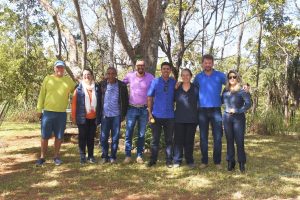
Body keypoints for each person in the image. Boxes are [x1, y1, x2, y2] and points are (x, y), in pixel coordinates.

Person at [36, 60, 76, 166]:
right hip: (48, 113)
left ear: (64, 69)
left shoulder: (68, 81)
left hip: (61, 114)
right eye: (58, 67)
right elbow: (42, 95)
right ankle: (42, 157)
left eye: (62, 67)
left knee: (59, 136)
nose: (60, 69)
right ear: (54, 68)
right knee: (45, 136)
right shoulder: (48, 79)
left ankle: (56, 156)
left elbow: (76, 90)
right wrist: (39, 110)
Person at [193, 54, 226, 169]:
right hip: (202, 110)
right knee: (203, 137)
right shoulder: (198, 77)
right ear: (202, 64)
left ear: (213, 63)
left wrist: (224, 97)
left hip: (216, 110)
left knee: (217, 137)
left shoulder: (220, 75)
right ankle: (204, 161)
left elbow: (231, 84)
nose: (207, 64)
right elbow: (193, 90)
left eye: (209, 62)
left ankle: (217, 162)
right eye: (205, 63)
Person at [123, 59, 154, 164]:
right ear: (135, 66)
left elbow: (156, 88)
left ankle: (139, 156)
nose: (140, 67)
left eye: (142, 65)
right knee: (129, 133)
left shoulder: (150, 77)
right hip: (132, 108)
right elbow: (120, 85)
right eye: (138, 65)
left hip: (144, 109)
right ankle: (127, 155)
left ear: (145, 66)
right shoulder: (129, 76)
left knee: (141, 134)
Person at [147, 62, 176, 168]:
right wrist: (149, 113)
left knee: (169, 140)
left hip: (170, 116)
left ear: (170, 71)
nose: (166, 70)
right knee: (155, 140)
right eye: (164, 69)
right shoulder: (155, 82)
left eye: (168, 69)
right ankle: (153, 160)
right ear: (161, 70)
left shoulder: (174, 82)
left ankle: (169, 160)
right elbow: (149, 97)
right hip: (156, 115)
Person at [222, 70, 251, 172]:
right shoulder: (225, 91)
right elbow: (221, 101)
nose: (232, 79)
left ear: (237, 78)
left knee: (239, 141)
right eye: (230, 77)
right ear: (228, 79)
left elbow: (248, 104)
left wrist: (237, 110)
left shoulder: (242, 91)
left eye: (234, 77)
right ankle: (231, 162)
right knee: (229, 141)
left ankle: (241, 163)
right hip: (226, 118)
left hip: (238, 119)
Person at [98, 67, 129, 164]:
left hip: (116, 115)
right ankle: (104, 156)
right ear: (106, 74)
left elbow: (126, 101)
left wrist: (123, 114)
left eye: (113, 73)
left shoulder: (122, 85)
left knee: (115, 138)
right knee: (104, 137)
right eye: (109, 73)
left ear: (116, 74)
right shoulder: (102, 85)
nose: (110, 75)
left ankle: (113, 157)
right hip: (105, 115)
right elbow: (98, 99)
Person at [71, 69, 101, 164]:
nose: (86, 76)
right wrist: (73, 117)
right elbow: (74, 104)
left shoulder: (96, 88)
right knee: (82, 137)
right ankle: (82, 156)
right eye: (84, 75)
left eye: (88, 74)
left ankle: (91, 156)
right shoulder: (78, 89)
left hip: (93, 118)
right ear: (82, 77)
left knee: (91, 138)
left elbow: (100, 103)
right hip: (82, 117)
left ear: (92, 76)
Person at [173, 69, 199, 168]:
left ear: (191, 76)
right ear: (181, 76)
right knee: (178, 141)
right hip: (179, 118)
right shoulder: (177, 88)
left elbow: (200, 103)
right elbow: (171, 100)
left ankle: (189, 160)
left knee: (189, 141)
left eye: (187, 75)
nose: (185, 77)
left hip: (192, 119)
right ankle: (177, 160)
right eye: (183, 75)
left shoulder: (196, 89)